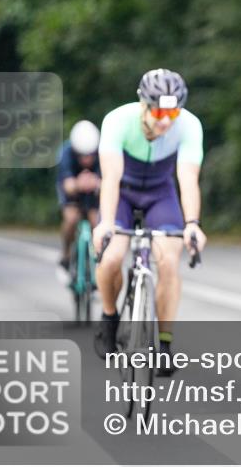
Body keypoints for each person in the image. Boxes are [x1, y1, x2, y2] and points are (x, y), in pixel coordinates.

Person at [92, 69, 207, 375]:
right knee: (111, 257)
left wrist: (192, 223)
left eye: (173, 112)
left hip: (160, 194)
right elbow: (111, 178)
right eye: (158, 112)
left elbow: (188, 178)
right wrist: (106, 223)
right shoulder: (117, 120)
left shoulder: (189, 125)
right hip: (123, 192)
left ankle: (165, 345)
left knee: (168, 261)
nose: (166, 121)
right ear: (143, 104)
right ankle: (109, 317)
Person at [56, 120, 101, 277]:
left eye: (90, 155)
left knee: (97, 221)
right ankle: (66, 255)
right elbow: (67, 185)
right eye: (82, 155)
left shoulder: (103, 151)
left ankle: (98, 258)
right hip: (73, 192)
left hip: (93, 192)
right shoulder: (66, 152)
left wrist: (96, 183)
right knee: (71, 219)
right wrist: (79, 184)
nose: (87, 159)